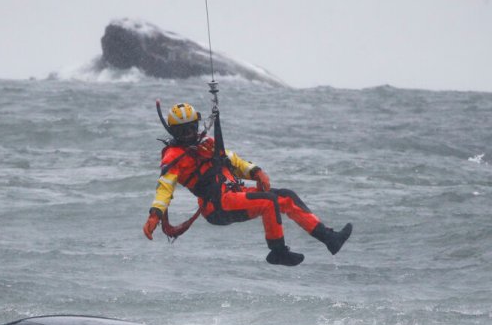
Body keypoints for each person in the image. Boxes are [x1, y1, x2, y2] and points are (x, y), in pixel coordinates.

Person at [143, 103, 352, 266]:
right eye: (183, 132)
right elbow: (165, 188)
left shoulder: (207, 144)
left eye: (192, 128)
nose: (189, 134)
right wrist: (155, 214)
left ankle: (329, 238)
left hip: (234, 194)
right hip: (217, 206)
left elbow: (234, 161)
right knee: (269, 202)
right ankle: (278, 251)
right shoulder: (173, 157)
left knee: (286, 197)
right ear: (174, 133)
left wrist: (256, 171)